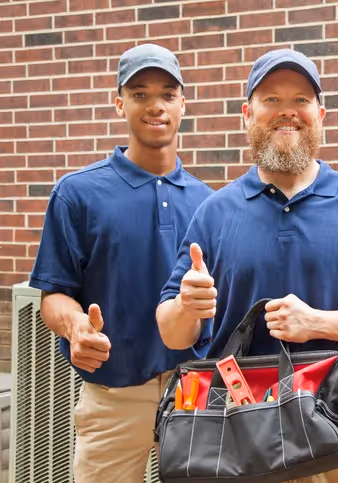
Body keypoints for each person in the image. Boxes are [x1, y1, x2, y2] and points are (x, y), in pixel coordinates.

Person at [156, 48, 338, 482]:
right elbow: (172, 332)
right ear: (248, 113)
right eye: (271, 100)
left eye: (301, 100)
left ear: (321, 113)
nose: (288, 112)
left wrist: (317, 322)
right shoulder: (214, 212)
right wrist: (187, 307)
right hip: (235, 433)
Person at [28, 43, 214, 482]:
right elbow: (54, 295)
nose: (156, 106)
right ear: (119, 103)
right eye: (140, 93)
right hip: (113, 397)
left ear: (183, 103)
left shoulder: (211, 204)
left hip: (195, 394)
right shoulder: (77, 194)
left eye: (168, 94)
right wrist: (75, 326)